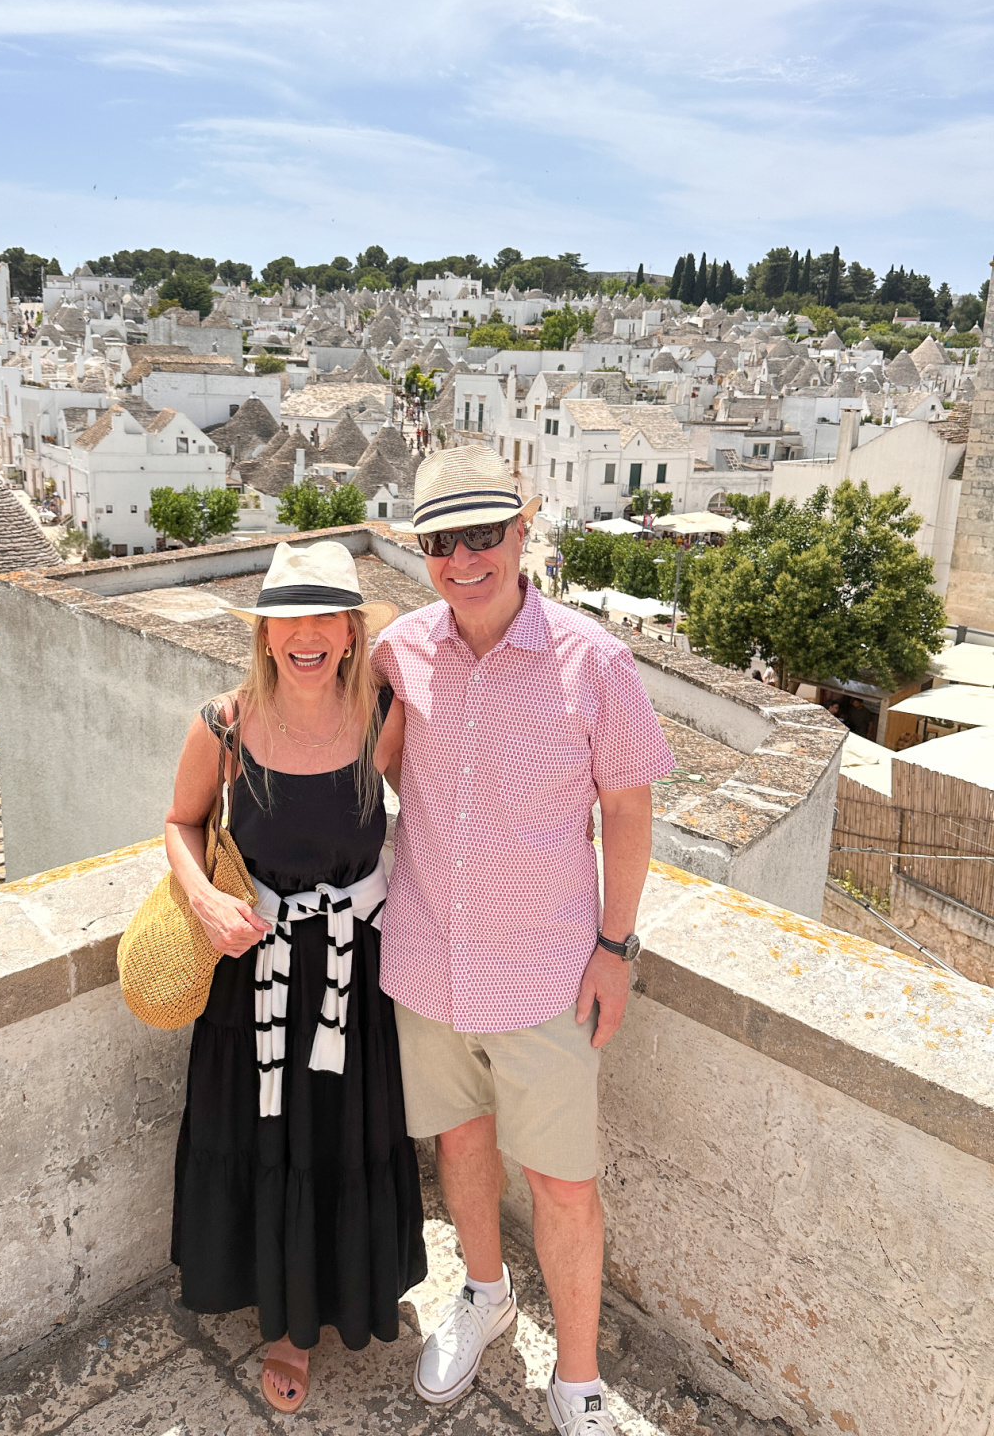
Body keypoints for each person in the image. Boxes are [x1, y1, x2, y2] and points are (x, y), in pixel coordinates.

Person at [375, 447, 676, 1436]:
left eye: (484, 534)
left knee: (561, 1180)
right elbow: (352, 767)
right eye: (441, 541)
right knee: (459, 1146)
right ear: (422, 551)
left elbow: (628, 813)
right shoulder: (401, 652)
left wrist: (616, 947)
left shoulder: (595, 662)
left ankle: (579, 1380)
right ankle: (486, 1294)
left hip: (544, 974)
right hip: (424, 961)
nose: (465, 558)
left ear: (523, 529)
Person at [164, 540, 428, 1415]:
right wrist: (203, 901)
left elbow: (442, 810)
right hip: (257, 973)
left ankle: (345, 1291)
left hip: (357, 972)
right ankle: (286, 1326)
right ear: (266, 634)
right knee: (273, 1138)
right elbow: (180, 823)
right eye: (288, 621)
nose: (306, 637)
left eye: (325, 619)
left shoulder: (385, 713)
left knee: (338, 1138)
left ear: (352, 633)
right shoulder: (225, 725)